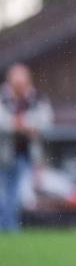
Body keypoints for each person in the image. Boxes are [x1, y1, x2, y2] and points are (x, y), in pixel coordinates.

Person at [0, 64, 53, 232]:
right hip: (5, 153)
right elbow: (3, 122)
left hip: (28, 153)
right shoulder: (3, 98)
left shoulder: (36, 98)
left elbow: (45, 120)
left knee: (17, 195)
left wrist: (20, 122)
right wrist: (24, 124)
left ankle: (9, 230)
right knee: (8, 194)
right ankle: (9, 229)